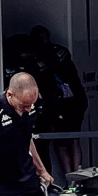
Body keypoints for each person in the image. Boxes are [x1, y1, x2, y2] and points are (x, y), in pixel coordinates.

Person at [28, 26, 88, 177]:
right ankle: (76, 180)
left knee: (62, 142)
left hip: (64, 102)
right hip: (76, 100)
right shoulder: (61, 50)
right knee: (73, 139)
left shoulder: (39, 56)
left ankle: (72, 181)